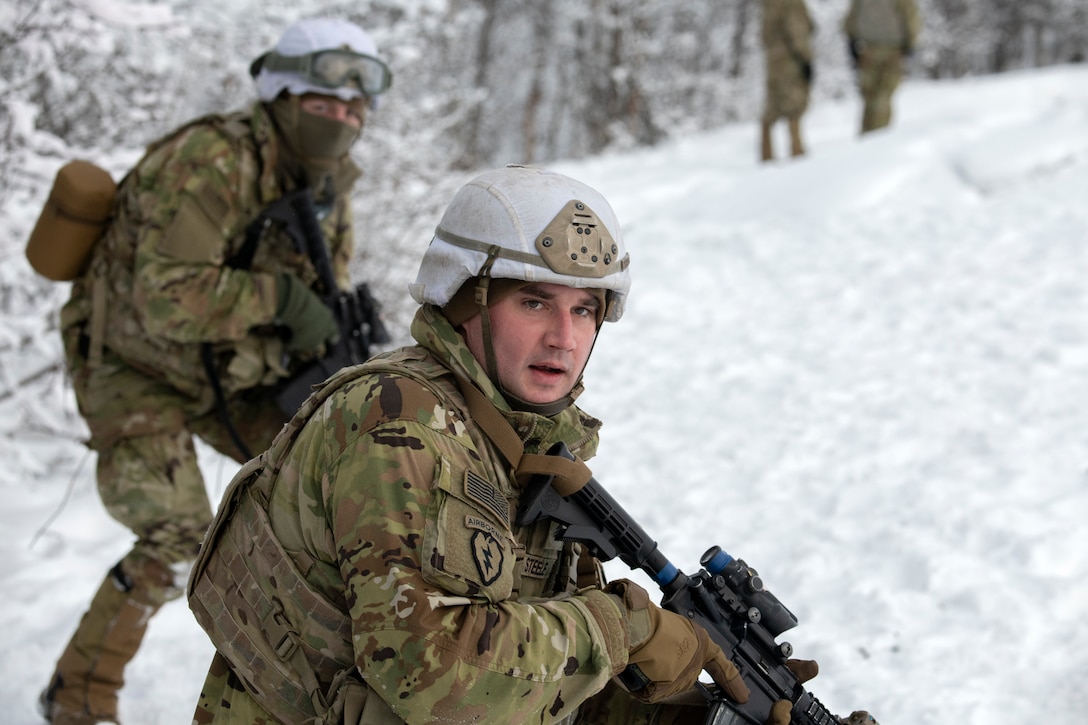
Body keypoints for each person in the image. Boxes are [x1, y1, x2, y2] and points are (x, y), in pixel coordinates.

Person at [186, 165, 877, 725]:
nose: (564, 337)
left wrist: (706, 711)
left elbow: (537, 684)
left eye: (585, 310)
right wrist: (624, 629)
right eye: (534, 302)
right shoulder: (396, 422)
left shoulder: (525, 443)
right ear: (465, 300)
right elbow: (432, 678)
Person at [38, 17, 393, 725]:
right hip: (132, 365)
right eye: (325, 103)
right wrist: (283, 302)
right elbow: (163, 295)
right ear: (284, 96)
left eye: (355, 108)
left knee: (327, 494)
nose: (342, 117)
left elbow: (324, 290)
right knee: (178, 536)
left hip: (223, 370)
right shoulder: (213, 158)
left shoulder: (328, 183)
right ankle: (79, 695)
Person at [843, 0, 921, 134]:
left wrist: (851, 41)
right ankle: (878, 140)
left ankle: (866, 137)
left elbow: (851, 18)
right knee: (883, 96)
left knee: (870, 97)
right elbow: (910, 16)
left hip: (867, 49)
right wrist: (911, 43)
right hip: (891, 50)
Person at [759, 0, 815, 162]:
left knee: (773, 105)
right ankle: (797, 152)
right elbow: (796, 29)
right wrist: (805, 59)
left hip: (773, 59)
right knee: (794, 106)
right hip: (791, 60)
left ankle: (766, 156)